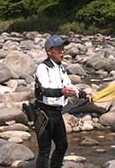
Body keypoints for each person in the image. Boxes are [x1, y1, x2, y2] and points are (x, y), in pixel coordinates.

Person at [34, 34, 92, 168]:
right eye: (58, 48)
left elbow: (69, 87)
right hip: (44, 113)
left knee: (62, 145)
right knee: (45, 150)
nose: (62, 51)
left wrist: (84, 94)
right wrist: (62, 92)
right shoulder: (42, 68)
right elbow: (45, 90)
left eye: (62, 48)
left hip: (57, 113)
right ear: (49, 52)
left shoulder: (60, 67)